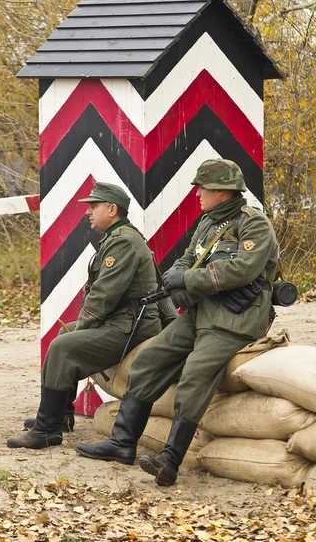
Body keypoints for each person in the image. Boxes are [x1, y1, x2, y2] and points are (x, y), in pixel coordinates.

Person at [76, 159, 279, 486]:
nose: (197, 194)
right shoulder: (208, 222)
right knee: (148, 362)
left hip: (235, 319)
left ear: (222, 191)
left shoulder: (253, 224)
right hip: (202, 313)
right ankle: (122, 442)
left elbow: (242, 269)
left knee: (195, 374)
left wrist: (190, 280)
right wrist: (176, 281)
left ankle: (170, 459)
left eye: (202, 188)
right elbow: (190, 257)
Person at [7, 182, 162, 449]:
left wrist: (84, 326)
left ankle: (47, 430)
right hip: (123, 321)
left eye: (94, 206)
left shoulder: (124, 241)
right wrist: (80, 327)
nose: (88, 212)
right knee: (63, 332)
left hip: (132, 327)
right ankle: (62, 416)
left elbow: (103, 297)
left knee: (62, 345)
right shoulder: (118, 237)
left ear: (112, 209)